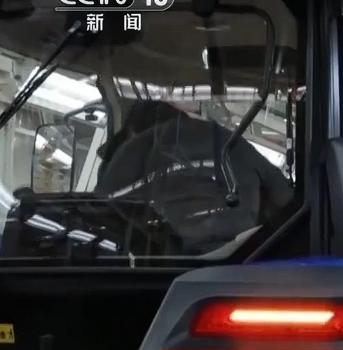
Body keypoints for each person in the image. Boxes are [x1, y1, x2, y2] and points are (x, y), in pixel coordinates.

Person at [94, 100, 292, 254]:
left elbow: (101, 211)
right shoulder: (232, 146)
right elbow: (287, 202)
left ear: (133, 131)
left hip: (146, 269)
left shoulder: (131, 158)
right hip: (239, 262)